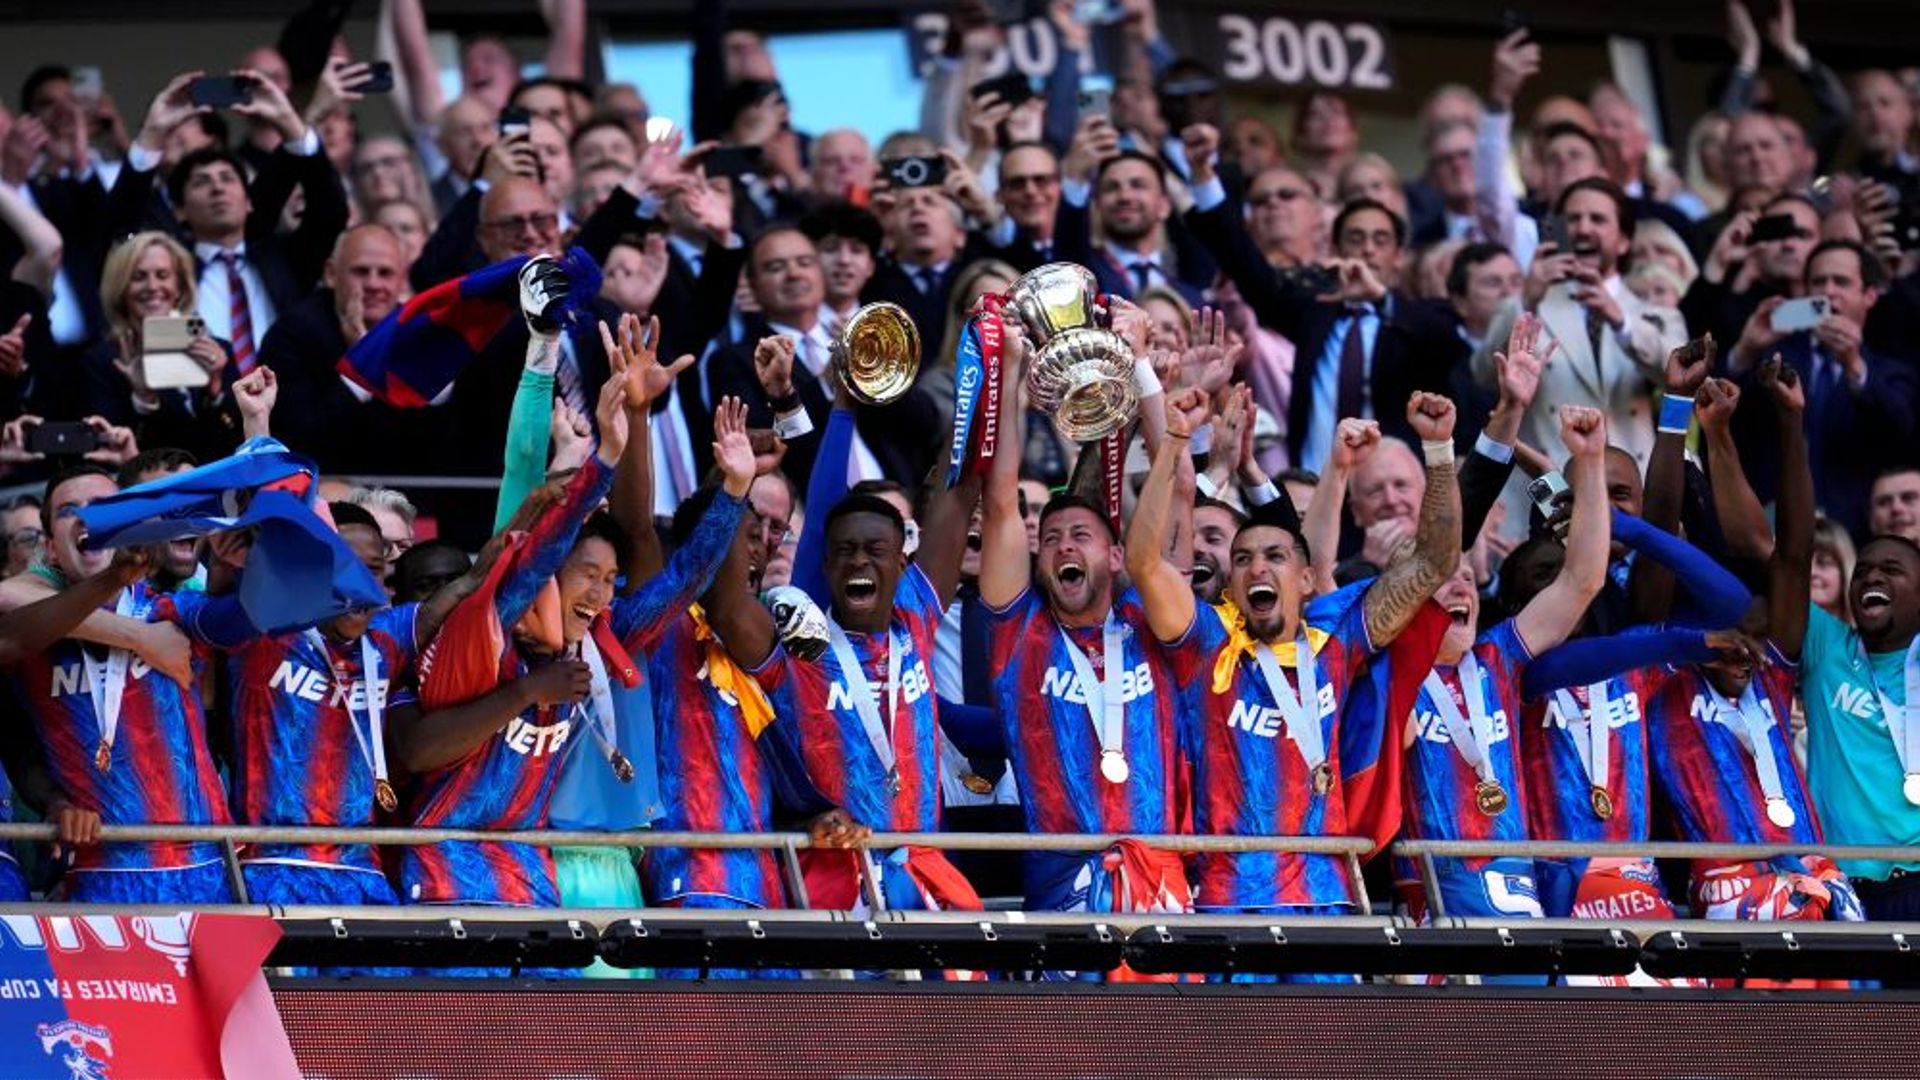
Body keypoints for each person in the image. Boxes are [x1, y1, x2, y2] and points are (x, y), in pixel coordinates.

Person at [1129, 390, 1462, 918]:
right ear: (1232, 583)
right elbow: (1144, 563)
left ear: (1306, 580)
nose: (1256, 567)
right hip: (1228, 902)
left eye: (1274, 556)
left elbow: (1432, 564)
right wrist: (1172, 442)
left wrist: (1439, 451)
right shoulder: (1206, 646)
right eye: (1242, 559)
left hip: (1327, 898)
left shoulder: (1336, 640)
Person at [1397, 405, 1612, 928]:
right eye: (1442, 577)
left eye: (1468, 576)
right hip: (1433, 894)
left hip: (1519, 888)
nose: (1462, 586)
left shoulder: (1497, 658)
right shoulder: (1387, 671)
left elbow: (1583, 579)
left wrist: (1591, 462)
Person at [1473, 178, 1687, 481]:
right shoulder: (1527, 305)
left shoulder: (1655, 315)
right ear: (1558, 232)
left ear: (1624, 240)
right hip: (1553, 489)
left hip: (1635, 489)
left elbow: (1683, 381)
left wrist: (1622, 322)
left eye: (1597, 219)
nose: (1584, 229)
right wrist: (1527, 300)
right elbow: (1484, 373)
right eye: (1573, 219)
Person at [1726, 240, 1917, 537]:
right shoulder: (1773, 356)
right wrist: (1745, 350)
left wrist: (1853, 364)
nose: (1828, 291)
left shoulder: (1890, 371)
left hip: (1855, 531)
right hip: (1772, 527)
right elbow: (1726, 413)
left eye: (1840, 281)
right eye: (1818, 281)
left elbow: (1900, 431)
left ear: (1868, 295)